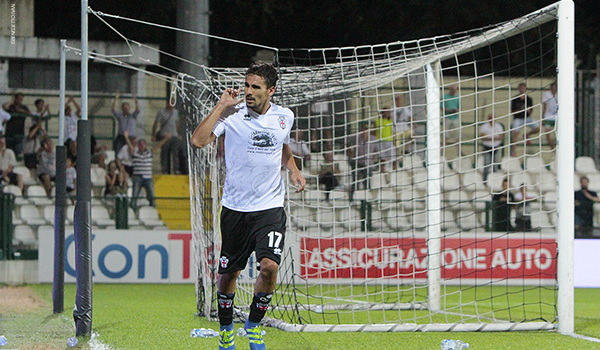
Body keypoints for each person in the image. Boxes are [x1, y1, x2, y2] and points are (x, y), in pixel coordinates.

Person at [190, 61, 305, 350]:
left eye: (256, 87)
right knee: (229, 274)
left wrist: (293, 169)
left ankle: (253, 326)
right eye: (247, 85)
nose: (248, 91)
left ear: (271, 91)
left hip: (270, 207)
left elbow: (281, 145)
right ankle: (227, 329)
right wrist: (220, 107)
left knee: (268, 267)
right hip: (235, 208)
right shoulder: (232, 115)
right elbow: (198, 141)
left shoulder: (285, 116)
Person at [347, 121, 379, 200]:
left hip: (368, 163)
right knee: (355, 182)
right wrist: (350, 153)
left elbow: (376, 150)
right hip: (357, 162)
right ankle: (352, 199)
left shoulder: (373, 139)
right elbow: (346, 144)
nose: (365, 131)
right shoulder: (356, 137)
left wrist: (373, 157)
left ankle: (367, 199)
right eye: (363, 129)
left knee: (367, 183)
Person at [125, 132, 156, 210]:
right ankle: (132, 210)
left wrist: (166, 138)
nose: (142, 146)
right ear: (138, 146)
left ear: (145, 145)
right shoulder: (135, 153)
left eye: (143, 144)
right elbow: (130, 147)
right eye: (140, 145)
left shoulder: (149, 153)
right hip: (138, 177)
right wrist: (126, 138)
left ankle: (153, 210)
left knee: (151, 196)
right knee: (134, 195)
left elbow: (157, 146)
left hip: (148, 178)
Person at [151, 100, 181, 174]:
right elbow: (156, 123)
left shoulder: (175, 112)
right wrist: (153, 135)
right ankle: (165, 170)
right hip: (164, 135)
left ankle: (176, 169)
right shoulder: (161, 112)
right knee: (165, 153)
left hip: (174, 135)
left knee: (175, 153)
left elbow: (177, 123)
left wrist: (179, 134)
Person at [510, 82, 539, 156]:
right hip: (518, 118)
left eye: (523, 88)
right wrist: (521, 109)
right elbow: (513, 112)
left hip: (527, 118)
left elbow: (530, 111)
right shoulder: (515, 99)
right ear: (518, 89)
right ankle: (513, 150)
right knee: (515, 133)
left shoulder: (529, 99)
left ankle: (527, 135)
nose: (522, 89)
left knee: (537, 128)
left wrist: (526, 109)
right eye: (521, 88)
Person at [479, 114, 505, 181]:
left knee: (495, 165)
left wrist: (489, 137)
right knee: (486, 165)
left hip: (496, 147)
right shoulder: (484, 126)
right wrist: (493, 138)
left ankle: (494, 180)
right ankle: (485, 180)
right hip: (487, 147)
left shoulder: (499, 126)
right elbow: (482, 137)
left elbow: (501, 137)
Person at [442, 84, 460, 149]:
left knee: (457, 135)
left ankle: (459, 151)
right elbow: (442, 108)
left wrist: (455, 110)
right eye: (452, 89)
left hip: (455, 117)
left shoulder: (457, 97)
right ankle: (442, 150)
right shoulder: (445, 97)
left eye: (455, 90)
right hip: (447, 117)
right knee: (446, 135)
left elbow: (459, 108)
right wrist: (449, 110)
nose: (454, 91)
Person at [541, 82, 558, 149]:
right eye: (553, 87)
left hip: (556, 117)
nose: (554, 88)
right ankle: (552, 148)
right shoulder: (546, 94)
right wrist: (543, 117)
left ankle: (557, 148)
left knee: (558, 134)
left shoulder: (559, 94)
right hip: (548, 117)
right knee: (547, 134)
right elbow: (545, 105)